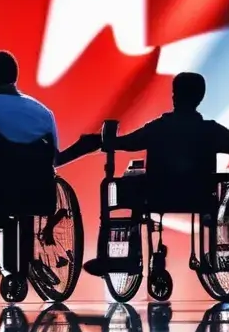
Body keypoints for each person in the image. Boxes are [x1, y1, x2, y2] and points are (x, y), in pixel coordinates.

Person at [56, 72, 215, 277]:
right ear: (200, 97)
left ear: (174, 95)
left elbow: (123, 143)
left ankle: (117, 256)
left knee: (116, 186)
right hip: (201, 198)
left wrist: (95, 142)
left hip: (157, 198)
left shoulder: (159, 128)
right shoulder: (212, 131)